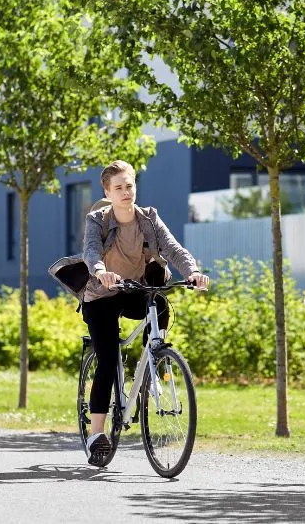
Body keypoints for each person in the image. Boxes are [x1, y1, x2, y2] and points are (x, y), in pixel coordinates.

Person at [81, 160, 209, 466]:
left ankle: (153, 360)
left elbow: (173, 248)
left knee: (162, 300)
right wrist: (101, 272)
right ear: (107, 192)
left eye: (129, 186)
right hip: (102, 295)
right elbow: (91, 251)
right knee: (109, 358)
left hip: (134, 290)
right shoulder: (97, 219)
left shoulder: (149, 218)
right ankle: (97, 435)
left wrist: (193, 271)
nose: (126, 193)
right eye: (119, 188)